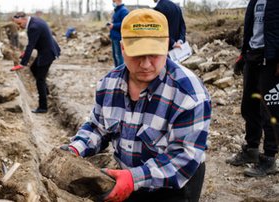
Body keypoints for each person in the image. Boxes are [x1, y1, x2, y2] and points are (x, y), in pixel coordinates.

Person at [63, 9, 211, 202]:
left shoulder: (189, 94)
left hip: (175, 184)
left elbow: (184, 156)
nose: (146, 64)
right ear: (123, 48)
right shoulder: (109, 84)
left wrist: (134, 178)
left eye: (154, 55)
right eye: (137, 55)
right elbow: (97, 128)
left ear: (166, 46)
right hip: (128, 177)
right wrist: (75, 149)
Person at [226, 0, 279, 177]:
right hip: (252, 56)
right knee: (249, 107)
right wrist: (243, 55)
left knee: (269, 111)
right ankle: (251, 150)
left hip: (270, 60)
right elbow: (250, 29)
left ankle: (270, 159)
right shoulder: (254, 1)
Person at [12, 12, 61, 113]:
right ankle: (46, 92)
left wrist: (22, 63)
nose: (19, 27)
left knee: (40, 79)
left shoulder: (33, 27)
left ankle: (43, 107)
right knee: (33, 68)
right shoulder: (35, 20)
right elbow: (37, 40)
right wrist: (25, 53)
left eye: (19, 24)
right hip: (46, 49)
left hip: (47, 53)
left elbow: (31, 45)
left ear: (24, 19)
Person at [107, 0, 128, 67]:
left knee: (119, 56)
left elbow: (125, 24)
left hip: (119, 37)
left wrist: (114, 25)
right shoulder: (116, 10)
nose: (113, 2)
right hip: (114, 37)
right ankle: (117, 72)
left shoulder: (123, 11)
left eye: (114, 1)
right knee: (115, 56)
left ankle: (121, 72)